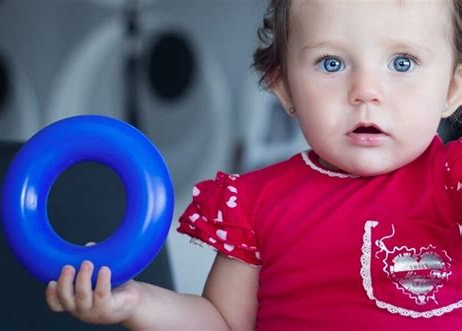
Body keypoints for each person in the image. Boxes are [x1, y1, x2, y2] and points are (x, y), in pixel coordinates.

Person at [46, 0, 462, 329]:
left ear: (452, 89)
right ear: (284, 88)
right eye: (331, 63)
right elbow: (223, 323)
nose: (366, 91)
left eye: (402, 63)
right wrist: (136, 302)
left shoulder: (450, 180)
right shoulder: (254, 202)